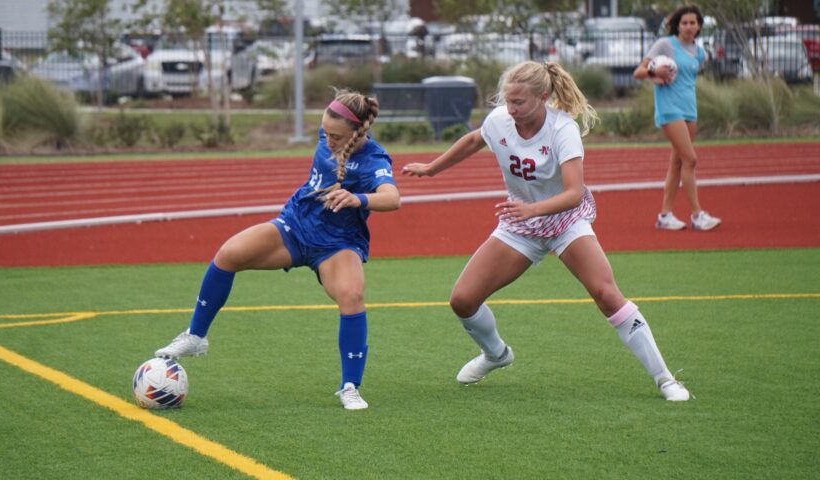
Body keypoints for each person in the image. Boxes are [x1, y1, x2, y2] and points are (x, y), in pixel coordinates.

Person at [402, 61, 690, 401]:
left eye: (519, 103)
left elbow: (572, 193)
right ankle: (497, 355)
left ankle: (666, 379)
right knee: (462, 300)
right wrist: (432, 169)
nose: (511, 109)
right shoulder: (500, 120)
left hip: (565, 221)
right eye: (507, 101)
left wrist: (532, 209)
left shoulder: (562, 129)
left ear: (543, 97)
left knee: (606, 294)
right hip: (520, 224)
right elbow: (474, 139)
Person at [155, 89, 401, 410]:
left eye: (336, 137)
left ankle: (350, 386)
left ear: (357, 133)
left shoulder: (374, 159)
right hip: (294, 227)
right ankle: (196, 336)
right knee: (228, 254)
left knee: (351, 297)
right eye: (325, 133)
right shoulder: (329, 135)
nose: (328, 141)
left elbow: (392, 197)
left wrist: (359, 199)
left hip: (336, 244)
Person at [634, 4, 721, 231]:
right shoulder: (666, 45)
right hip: (669, 110)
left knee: (678, 162)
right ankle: (697, 215)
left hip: (689, 110)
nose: (689, 27)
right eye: (685, 23)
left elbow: (688, 80)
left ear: (699, 26)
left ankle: (665, 216)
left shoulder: (700, 53)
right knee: (691, 159)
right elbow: (639, 72)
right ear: (678, 25)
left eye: (693, 23)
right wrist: (655, 72)